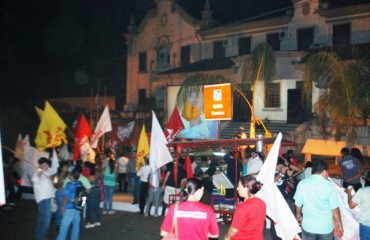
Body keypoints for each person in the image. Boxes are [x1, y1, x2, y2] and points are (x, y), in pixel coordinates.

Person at [294, 160, 343, 240]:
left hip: (308, 226)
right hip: (325, 228)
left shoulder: (302, 183)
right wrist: (340, 225)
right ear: (324, 171)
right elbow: (335, 209)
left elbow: (298, 204)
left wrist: (298, 216)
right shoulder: (330, 186)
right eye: (327, 172)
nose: (327, 174)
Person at [224, 175, 266, 240]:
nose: (237, 188)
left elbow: (234, 230)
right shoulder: (262, 203)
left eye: (239, 186)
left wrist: (227, 237)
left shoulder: (243, 207)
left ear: (247, 188)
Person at [57, 168, 85, 240]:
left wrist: (63, 206)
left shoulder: (69, 185)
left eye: (70, 174)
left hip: (70, 207)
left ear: (72, 176)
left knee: (64, 226)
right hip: (78, 207)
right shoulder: (80, 183)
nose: (69, 175)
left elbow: (66, 197)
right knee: (76, 225)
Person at [32, 157, 56, 240]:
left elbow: (53, 171)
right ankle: (41, 237)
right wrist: (41, 169)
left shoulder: (46, 173)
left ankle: (40, 236)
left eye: (47, 164)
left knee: (42, 219)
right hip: (43, 199)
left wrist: (53, 198)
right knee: (46, 221)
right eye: (45, 164)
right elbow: (34, 179)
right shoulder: (36, 172)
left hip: (49, 198)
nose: (47, 166)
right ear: (40, 164)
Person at [53, 161, 69, 230]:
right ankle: (59, 223)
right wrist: (62, 183)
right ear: (62, 168)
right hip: (60, 192)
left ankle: (64, 222)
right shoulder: (57, 175)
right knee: (60, 208)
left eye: (67, 167)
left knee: (65, 208)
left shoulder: (68, 175)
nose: (67, 168)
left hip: (67, 193)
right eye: (65, 167)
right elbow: (55, 185)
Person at [84, 163, 102, 228]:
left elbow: (86, 186)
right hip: (98, 190)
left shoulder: (89, 177)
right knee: (97, 207)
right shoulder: (96, 174)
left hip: (91, 191)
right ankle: (98, 221)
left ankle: (91, 222)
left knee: (91, 207)